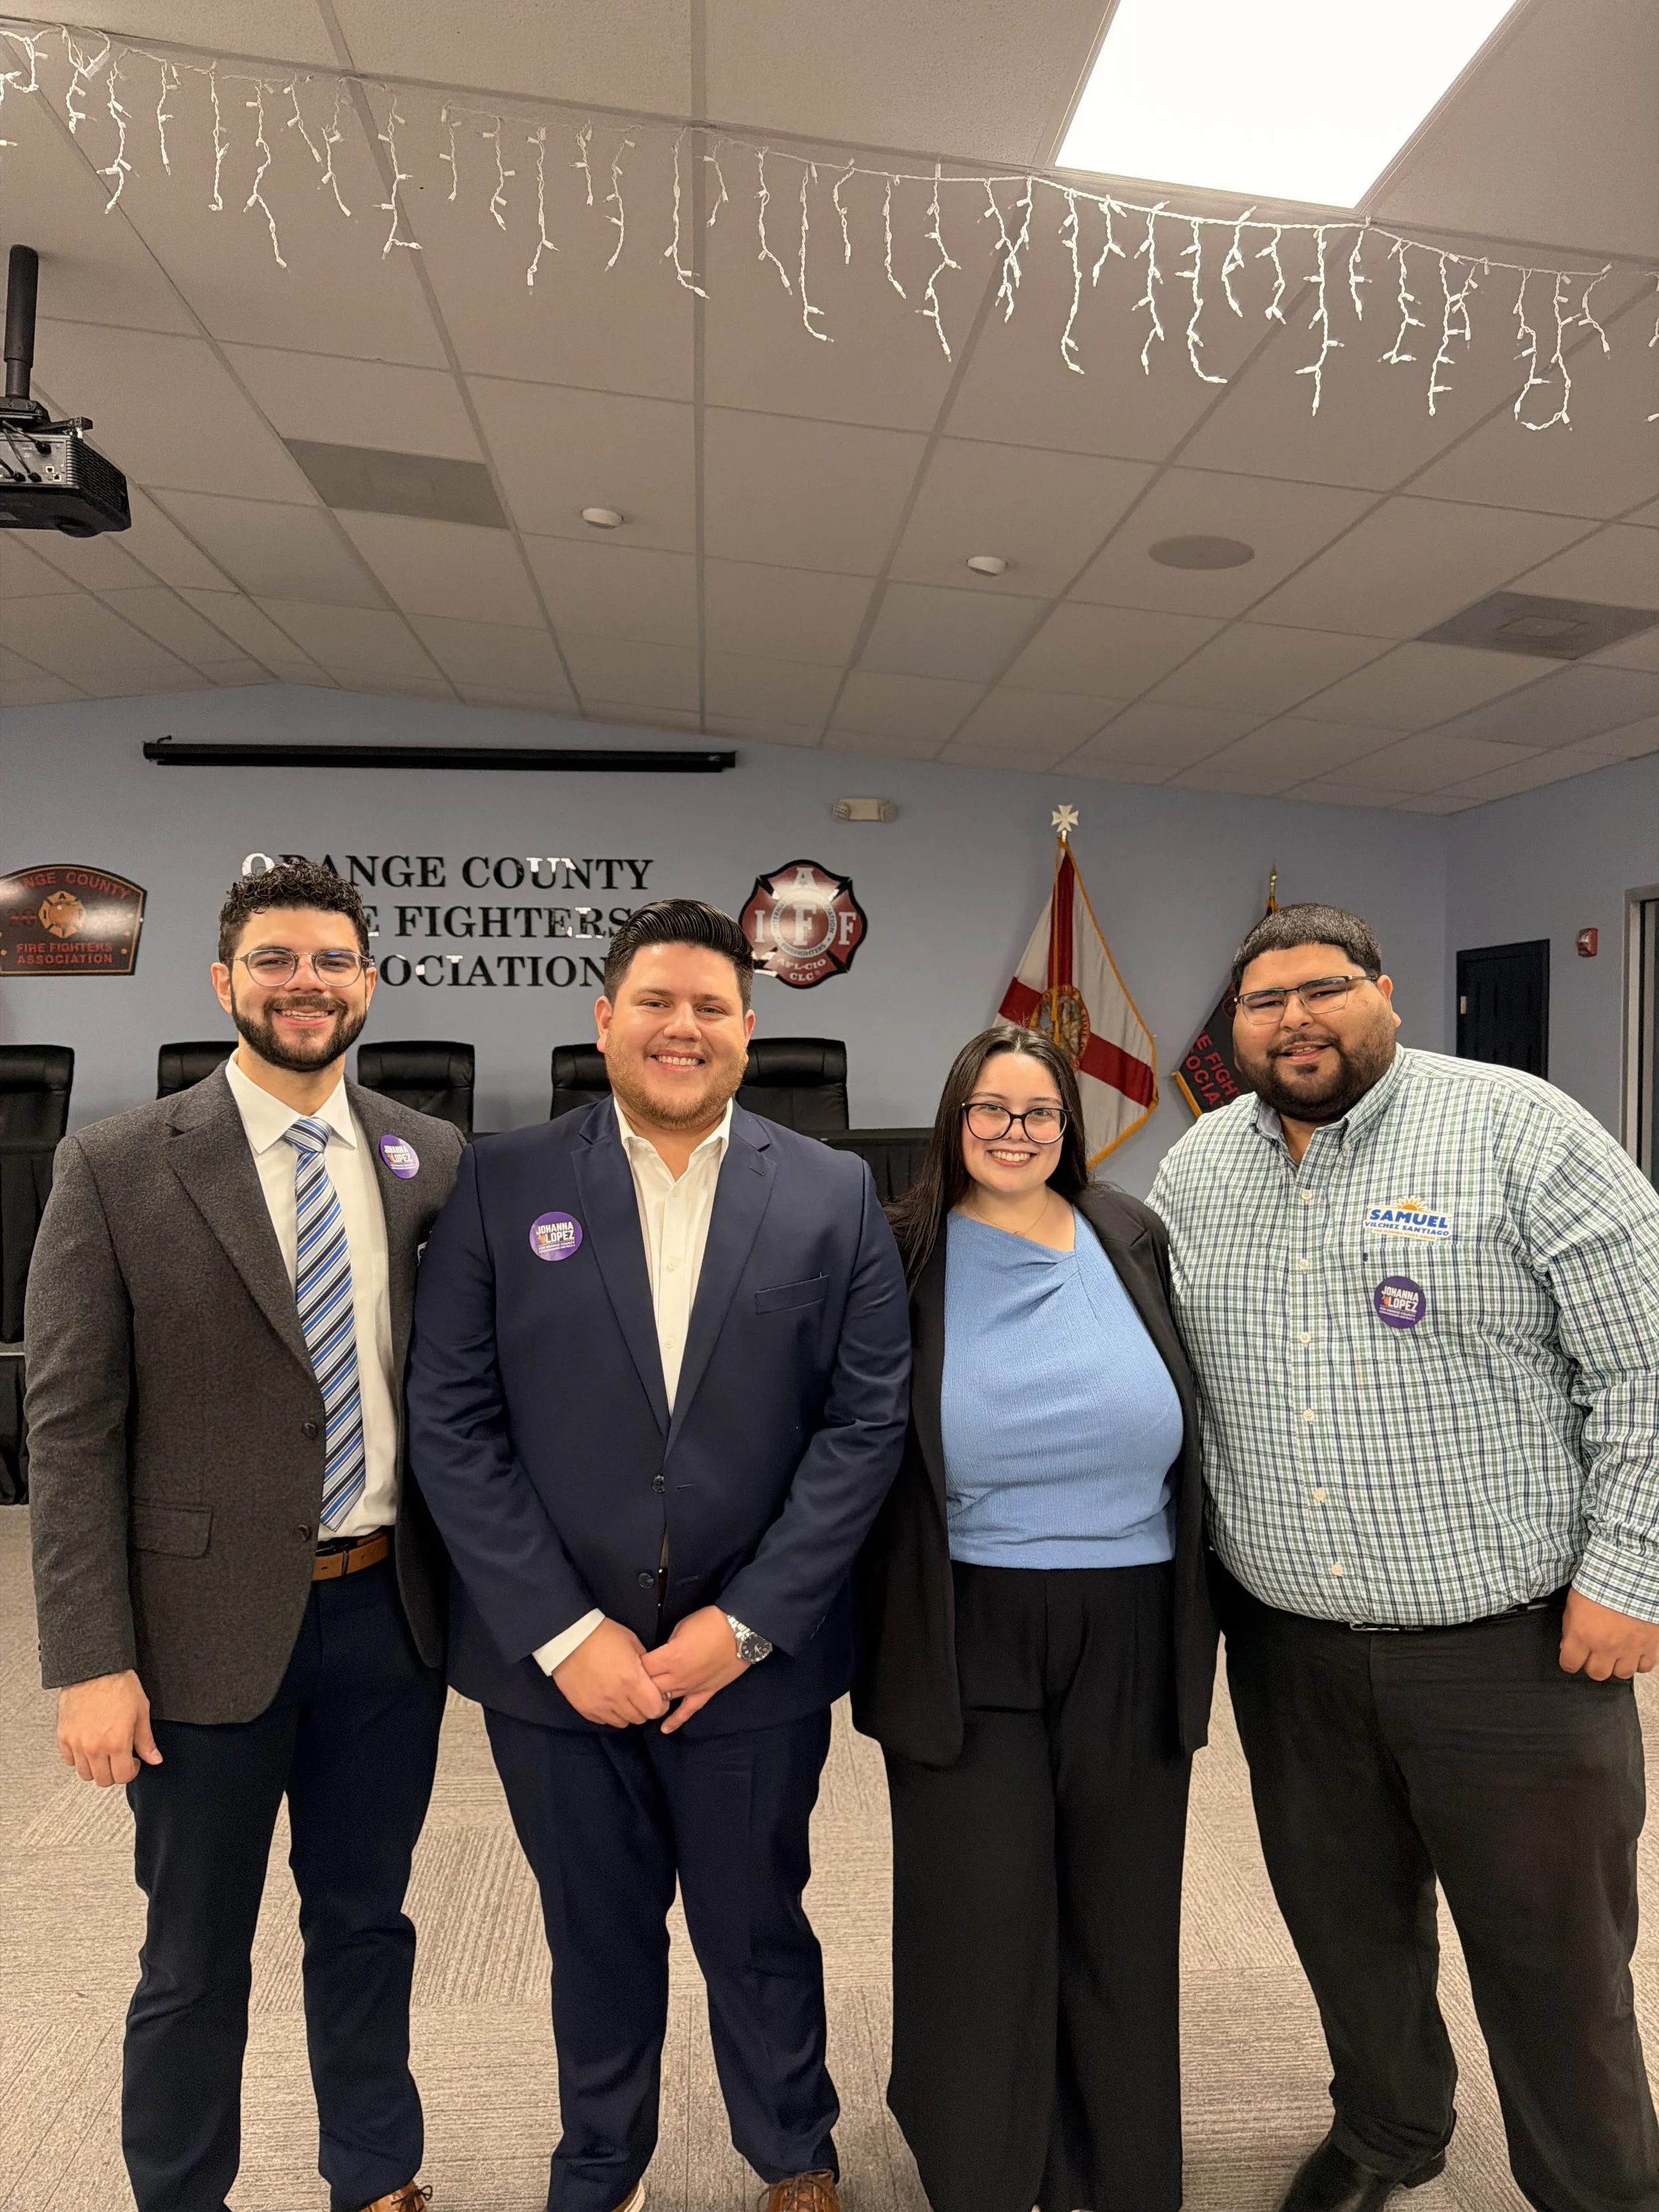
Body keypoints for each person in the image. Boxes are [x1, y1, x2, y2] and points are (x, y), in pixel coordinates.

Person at [1147, 901, 1659, 2212]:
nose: (1291, 1019)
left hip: (1514, 1656)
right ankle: (1388, 2131)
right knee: (1346, 1929)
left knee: (1551, 1963)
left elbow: (1642, 1368)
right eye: (1260, 1002)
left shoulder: (1519, 1130)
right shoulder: (1197, 1166)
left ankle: (1598, 2188)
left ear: (1384, 993)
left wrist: (1627, 1575)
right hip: (1288, 1650)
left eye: (1320, 989)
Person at [404, 898, 910, 2212]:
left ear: (748, 1027)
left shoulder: (832, 1192)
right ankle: (601, 2163)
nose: (679, 1028)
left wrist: (741, 1626)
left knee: (757, 1924)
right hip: (557, 1667)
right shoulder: (500, 1180)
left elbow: (862, 1428)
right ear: (603, 1021)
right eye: (654, 1002)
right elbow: (452, 1422)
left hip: (751, 1662)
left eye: (707, 1006)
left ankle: (792, 2151)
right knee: (594, 1933)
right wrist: (565, 1634)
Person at [25, 858, 466, 2212]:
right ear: (224, 983)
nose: (304, 984)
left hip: (388, 1618)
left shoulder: (431, 1157)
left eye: (331, 960)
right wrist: (89, 1658)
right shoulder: (114, 1163)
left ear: (368, 984)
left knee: (365, 1924)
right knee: (195, 1949)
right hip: (197, 1637)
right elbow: (70, 1428)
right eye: (273, 961)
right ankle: (178, 2191)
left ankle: (376, 2176)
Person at [853, 1024, 1217, 2212]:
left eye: (1041, 1114)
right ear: (954, 1120)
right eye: (992, 1112)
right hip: (965, 1621)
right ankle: (986, 2172)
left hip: (1135, 1617)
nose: (1017, 1134)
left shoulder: (1129, 1233)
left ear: (1072, 1126)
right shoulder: (898, 1252)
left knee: (1121, 1916)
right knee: (982, 1920)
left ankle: (1118, 2176)